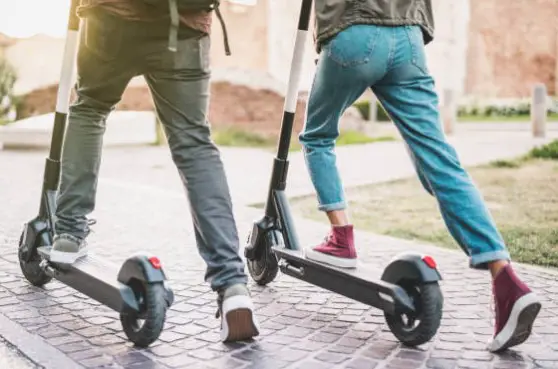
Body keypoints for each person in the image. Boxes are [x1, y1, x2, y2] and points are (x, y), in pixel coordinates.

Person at [299, 0, 541, 353]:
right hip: (408, 38)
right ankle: (505, 278)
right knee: (438, 158)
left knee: (317, 136)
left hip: (353, 30)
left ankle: (341, 237)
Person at [50, 0, 259, 343]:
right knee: (193, 143)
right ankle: (232, 283)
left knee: (89, 109)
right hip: (185, 24)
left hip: (110, 18)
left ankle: (69, 233)